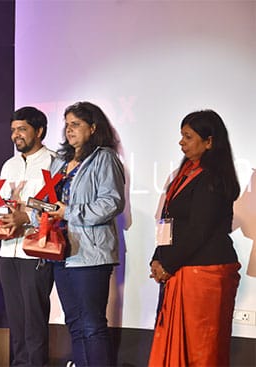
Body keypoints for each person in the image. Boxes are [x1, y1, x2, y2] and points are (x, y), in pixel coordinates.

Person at [148, 110, 241, 366]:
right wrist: (157, 258)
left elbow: (199, 231)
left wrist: (168, 265)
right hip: (181, 269)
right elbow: (169, 220)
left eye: (188, 137)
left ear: (209, 142)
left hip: (205, 273)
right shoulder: (184, 174)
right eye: (181, 136)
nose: (181, 143)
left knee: (202, 350)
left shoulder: (212, 178)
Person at [47, 101, 125, 366]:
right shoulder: (60, 162)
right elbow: (49, 200)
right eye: (67, 124)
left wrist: (68, 212)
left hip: (90, 254)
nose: (69, 130)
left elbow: (111, 203)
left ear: (93, 128)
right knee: (75, 325)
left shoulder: (105, 158)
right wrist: (40, 211)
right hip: (60, 253)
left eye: (76, 124)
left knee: (92, 325)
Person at [0, 106, 55, 366]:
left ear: (39, 131)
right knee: (16, 323)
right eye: (13, 130)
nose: (16, 135)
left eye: (22, 129)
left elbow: (56, 208)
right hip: (7, 250)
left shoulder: (54, 163)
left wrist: (27, 218)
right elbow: (0, 204)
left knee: (34, 322)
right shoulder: (8, 165)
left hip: (36, 250)